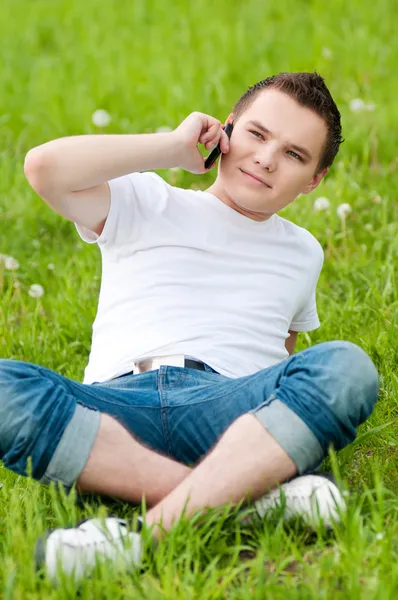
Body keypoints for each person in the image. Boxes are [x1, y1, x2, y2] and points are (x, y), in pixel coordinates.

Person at [2, 72, 378, 584]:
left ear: (315, 180)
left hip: (226, 410)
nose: (267, 158)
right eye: (257, 134)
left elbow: (283, 362)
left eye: (294, 155)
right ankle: (248, 502)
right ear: (225, 131)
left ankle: (135, 540)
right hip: (114, 411)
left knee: (347, 367)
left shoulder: (303, 252)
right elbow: (44, 168)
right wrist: (170, 148)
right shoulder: (147, 202)